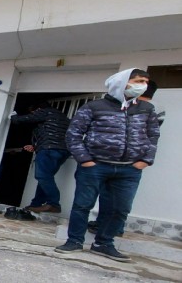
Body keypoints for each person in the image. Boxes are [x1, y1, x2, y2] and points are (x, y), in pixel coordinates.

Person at [55, 68, 160, 262]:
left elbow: (153, 135)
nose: (142, 85)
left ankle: (103, 244)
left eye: (145, 81)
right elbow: (74, 134)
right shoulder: (94, 106)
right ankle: (74, 241)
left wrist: (145, 160)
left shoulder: (146, 109)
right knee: (82, 205)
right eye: (138, 81)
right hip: (95, 166)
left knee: (120, 208)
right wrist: (85, 160)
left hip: (129, 169)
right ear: (122, 82)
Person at [88, 79, 164, 236]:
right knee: (119, 199)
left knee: (111, 196)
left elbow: (148, 134)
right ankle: (112, 227)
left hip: (124, 161)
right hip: (132, 160)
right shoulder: (158, 108)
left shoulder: (145, 108)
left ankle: (108, 227)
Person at [11, 101, 71, 213]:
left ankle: (53, 203)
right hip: (63, 151)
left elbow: (23, 119)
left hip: (49, 149)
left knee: (42, 176)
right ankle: (36, 204)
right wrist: (35, 146)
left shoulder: (46, 112)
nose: (33, 114)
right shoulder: (64, 118)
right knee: (46, 177)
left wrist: (13, 116)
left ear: (38, 109)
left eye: (33, 112)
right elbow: (53, 134)